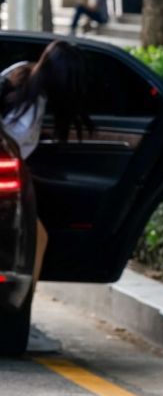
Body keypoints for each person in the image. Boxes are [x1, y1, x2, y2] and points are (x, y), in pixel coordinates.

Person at [0, 40, 89, 288]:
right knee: (36, 241)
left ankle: (23, 300)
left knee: (38, 239)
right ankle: (23, 301)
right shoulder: (29, 110)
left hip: (9, 184)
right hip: (6, 186)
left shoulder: (20, 73)